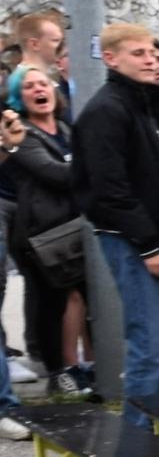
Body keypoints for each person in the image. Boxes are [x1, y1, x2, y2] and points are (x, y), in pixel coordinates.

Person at [73, 23, 159, 431]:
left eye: (153, 53)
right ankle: (138, 441)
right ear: (111, 58)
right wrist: (147, 247)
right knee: (150, 347)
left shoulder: (148, 106)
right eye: (139, 53)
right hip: (132, 240)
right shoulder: (107, 110)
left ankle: (155, 429)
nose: (151, 60)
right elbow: (109, 189)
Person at [2, 65, 89, 398]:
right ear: (17, 97)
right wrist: (94, 166)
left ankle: (76, 367)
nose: (39, 90)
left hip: (72, 225)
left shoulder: (65, 128)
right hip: (39, 231)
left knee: (78, 299)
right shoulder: (21, 133)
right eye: (28, 86)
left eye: (43, 83)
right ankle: (57, 372)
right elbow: (55, 174)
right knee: (51, 304)